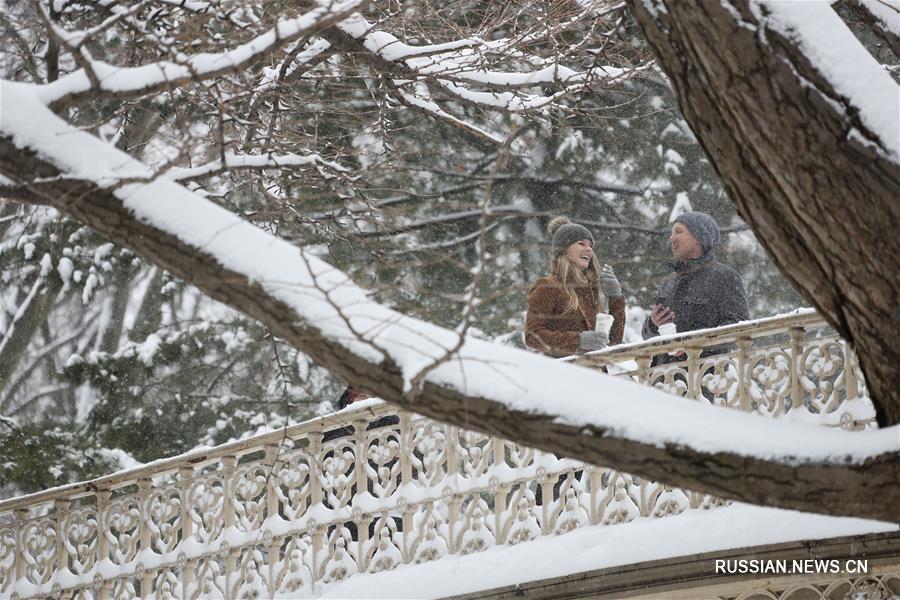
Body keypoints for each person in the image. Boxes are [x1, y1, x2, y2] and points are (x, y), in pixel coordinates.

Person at [642, 211, 749, 365]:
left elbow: (739, 329)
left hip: (704, 379)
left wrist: (694, 345)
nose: (671, 238)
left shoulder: (725, 277)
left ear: (699, 238)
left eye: (678, 232)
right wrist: (652, 324)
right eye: (672, 233)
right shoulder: (667, 282)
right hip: (661, 379)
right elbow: (648, 337)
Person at [525, 216, 625, 357]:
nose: (589, 250)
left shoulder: (589, 293)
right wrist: (579, 340)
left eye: (590, 246)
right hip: (565, 375)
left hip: (595, 374)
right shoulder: (547, 287)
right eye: (582, 244)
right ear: (564, 249)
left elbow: (613, 341)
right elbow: (533, 337)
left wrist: (616, 298)